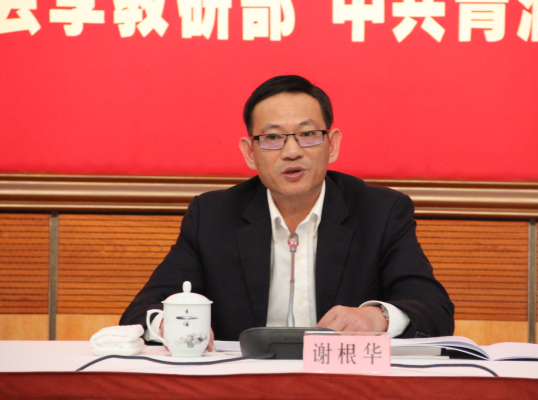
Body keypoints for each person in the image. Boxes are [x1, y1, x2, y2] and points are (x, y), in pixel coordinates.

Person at [120, 75, 454, 348]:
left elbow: (433, 309)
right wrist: (170, 325)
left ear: (332, 144)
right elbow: (142, 311)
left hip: (345, 386)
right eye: (272, 138)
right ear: (249, 152)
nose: (292, 151)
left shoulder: (380, 212)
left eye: (308, 135)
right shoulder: (212, 216)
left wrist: (377, 316)